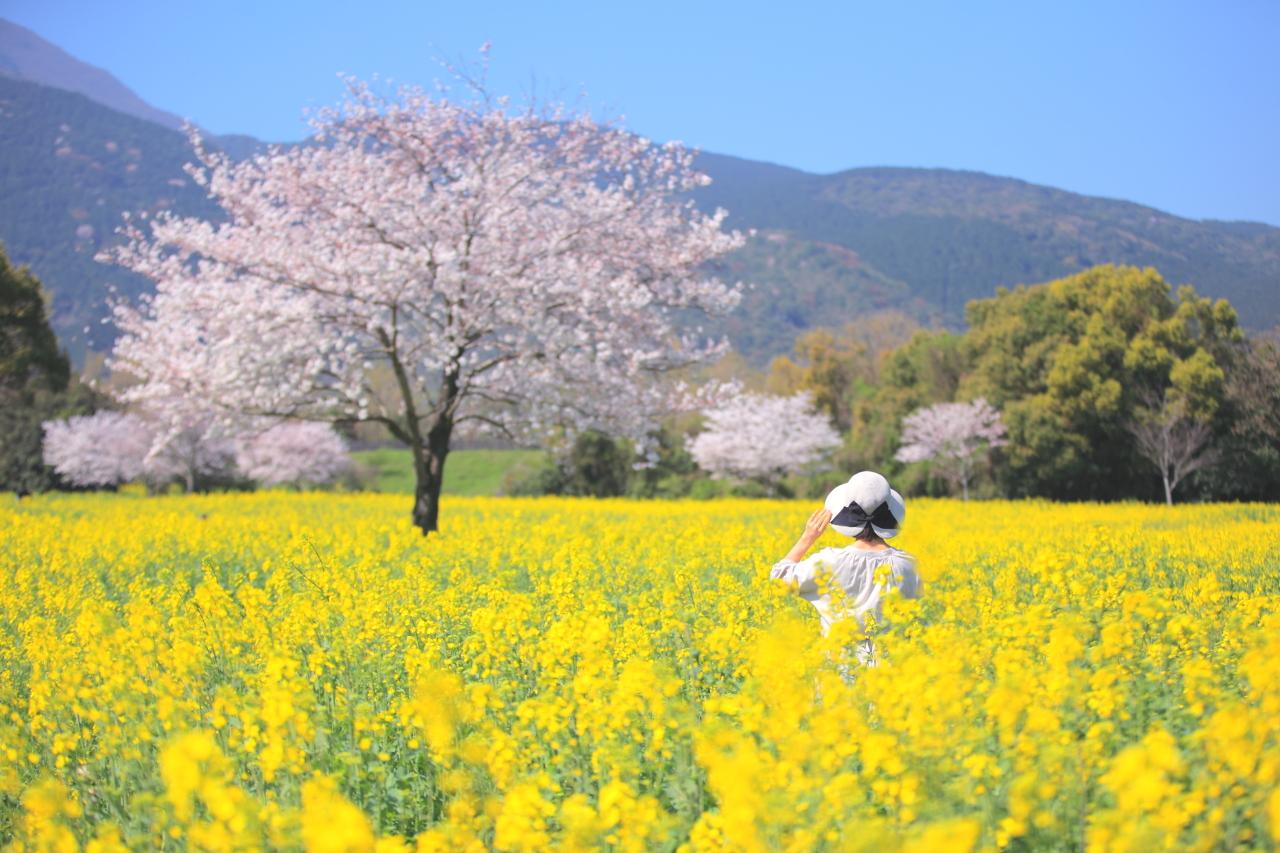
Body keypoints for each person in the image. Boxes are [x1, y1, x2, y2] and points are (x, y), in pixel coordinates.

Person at [770, 470, 922, 665]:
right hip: (891, 675)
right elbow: (916, 622)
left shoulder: (830, 561)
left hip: (839, 673)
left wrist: (807, 538)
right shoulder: (910, 565)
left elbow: (779, 580)